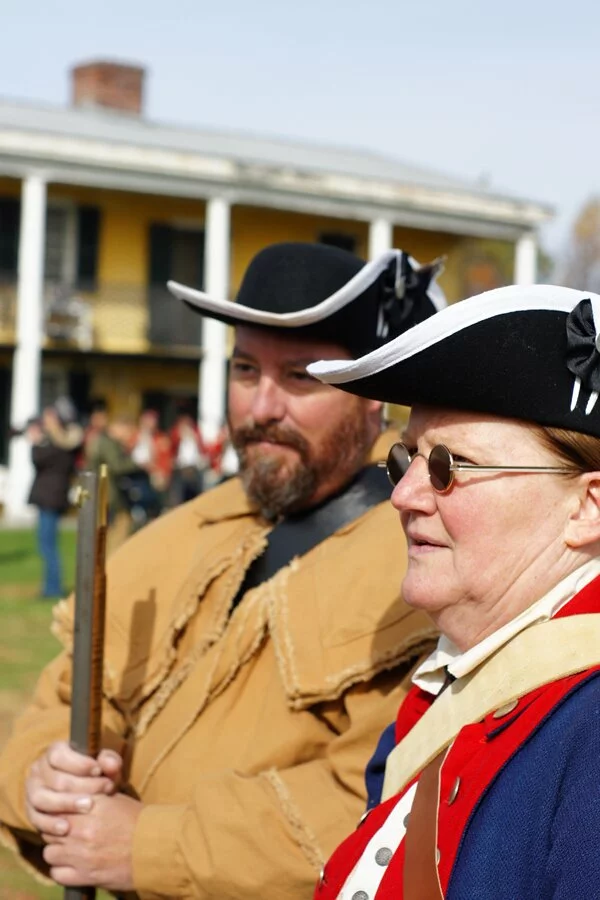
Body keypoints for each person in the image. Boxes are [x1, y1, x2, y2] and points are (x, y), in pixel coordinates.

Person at [0, 242, 445, 899]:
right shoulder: (185, 529)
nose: (262, 405)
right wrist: (44, 776)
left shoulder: (426, 558)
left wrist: (145, 846)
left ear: (371, 396)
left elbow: (382, 803)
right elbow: (69, 696)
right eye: (244, 371)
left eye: (301, 377)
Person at [308, 284, 600, 898]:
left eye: (449, 467)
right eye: (406, 459)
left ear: (588, 508)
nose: (404, 495)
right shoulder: (461, 672)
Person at [26, 397, 83, 598]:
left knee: (47, 545)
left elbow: (39, 459)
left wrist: (35, 442)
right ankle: (51, 586)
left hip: (51, 498)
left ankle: (53, 588)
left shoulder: (62, 442)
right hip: (52, 497)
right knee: (47, 544)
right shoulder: (65, 441)